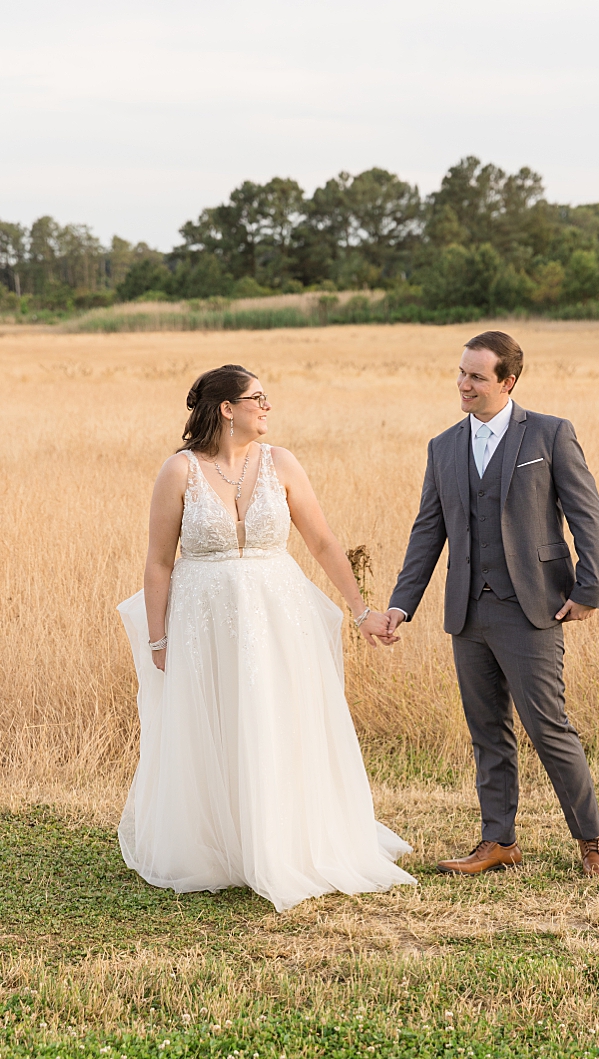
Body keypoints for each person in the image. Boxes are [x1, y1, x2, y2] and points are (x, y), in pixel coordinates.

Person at [117, 365, 416, 913]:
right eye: (258, 398)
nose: (268, 407)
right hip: (204, 619)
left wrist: (362, 610)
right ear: (227, 408)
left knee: (279, 718)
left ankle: (286, 841)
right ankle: (223, 846)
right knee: (218, 722)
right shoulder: (178, 471)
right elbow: (159, 563)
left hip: (279, 617)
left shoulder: (282, 463)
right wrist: (158, 640)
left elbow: (323, 541)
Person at [378, 331, 599, 877]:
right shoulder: (443, 447)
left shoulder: (552, 434)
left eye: (477, 376)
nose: (464, 384)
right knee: (487, 731)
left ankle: (592, 840)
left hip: (531, 608)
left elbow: (587, 515)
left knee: (548, 726)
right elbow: (426, 533)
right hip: (467, 612)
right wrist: (401, 605)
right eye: (461, 373)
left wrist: (588, 589)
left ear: (507, 381)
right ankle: (498, 841)